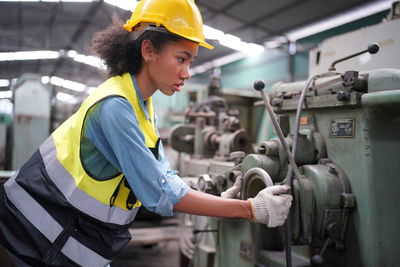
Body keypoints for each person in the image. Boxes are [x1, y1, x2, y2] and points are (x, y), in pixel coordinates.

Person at [0, 0, 292, 266]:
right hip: (33, 237)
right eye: (181, 59)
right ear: (148, 50)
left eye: (191, 61)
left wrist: (219, 199)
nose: (188, 72)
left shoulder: (141, 102)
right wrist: (249, 208)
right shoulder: (114, 107)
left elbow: (161, 174)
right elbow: (161, 194)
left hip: (68, 236)